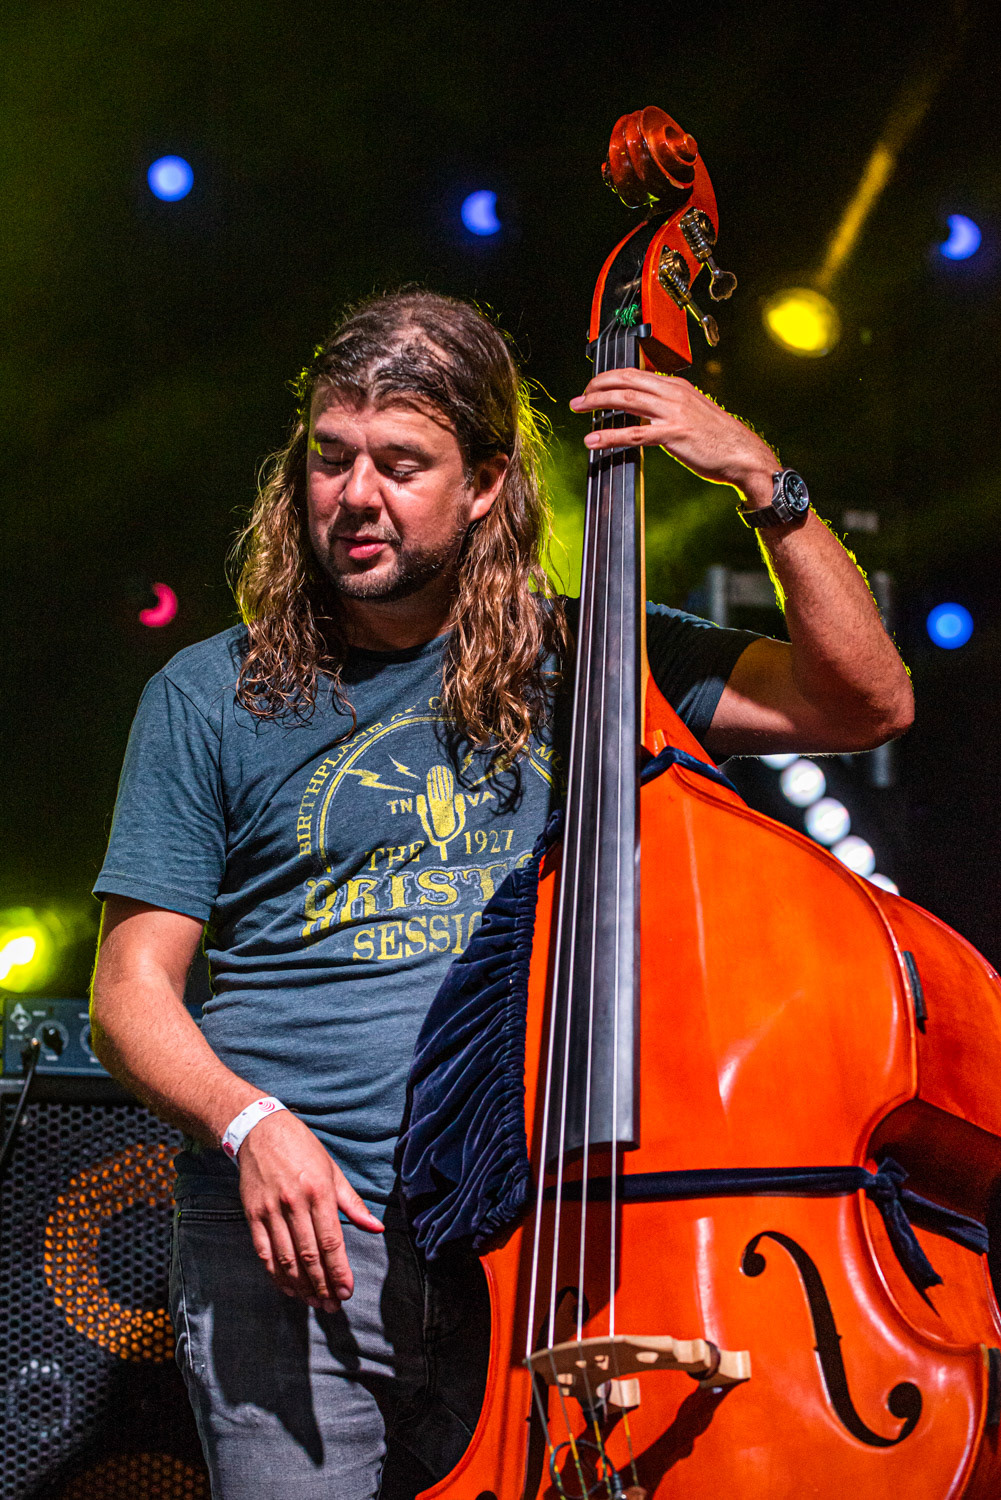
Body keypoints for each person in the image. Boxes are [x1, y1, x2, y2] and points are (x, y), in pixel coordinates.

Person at [89, 290, 913, 1499]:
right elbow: (128, 992)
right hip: (290, 1242)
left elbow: (862, 702)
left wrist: (760, 481)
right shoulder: (209, 693)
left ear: (483, 485)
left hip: (535, 1242)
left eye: (400, 464)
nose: (354, 495)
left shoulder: (591, 659)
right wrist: (247, 1124)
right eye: (329, 457)